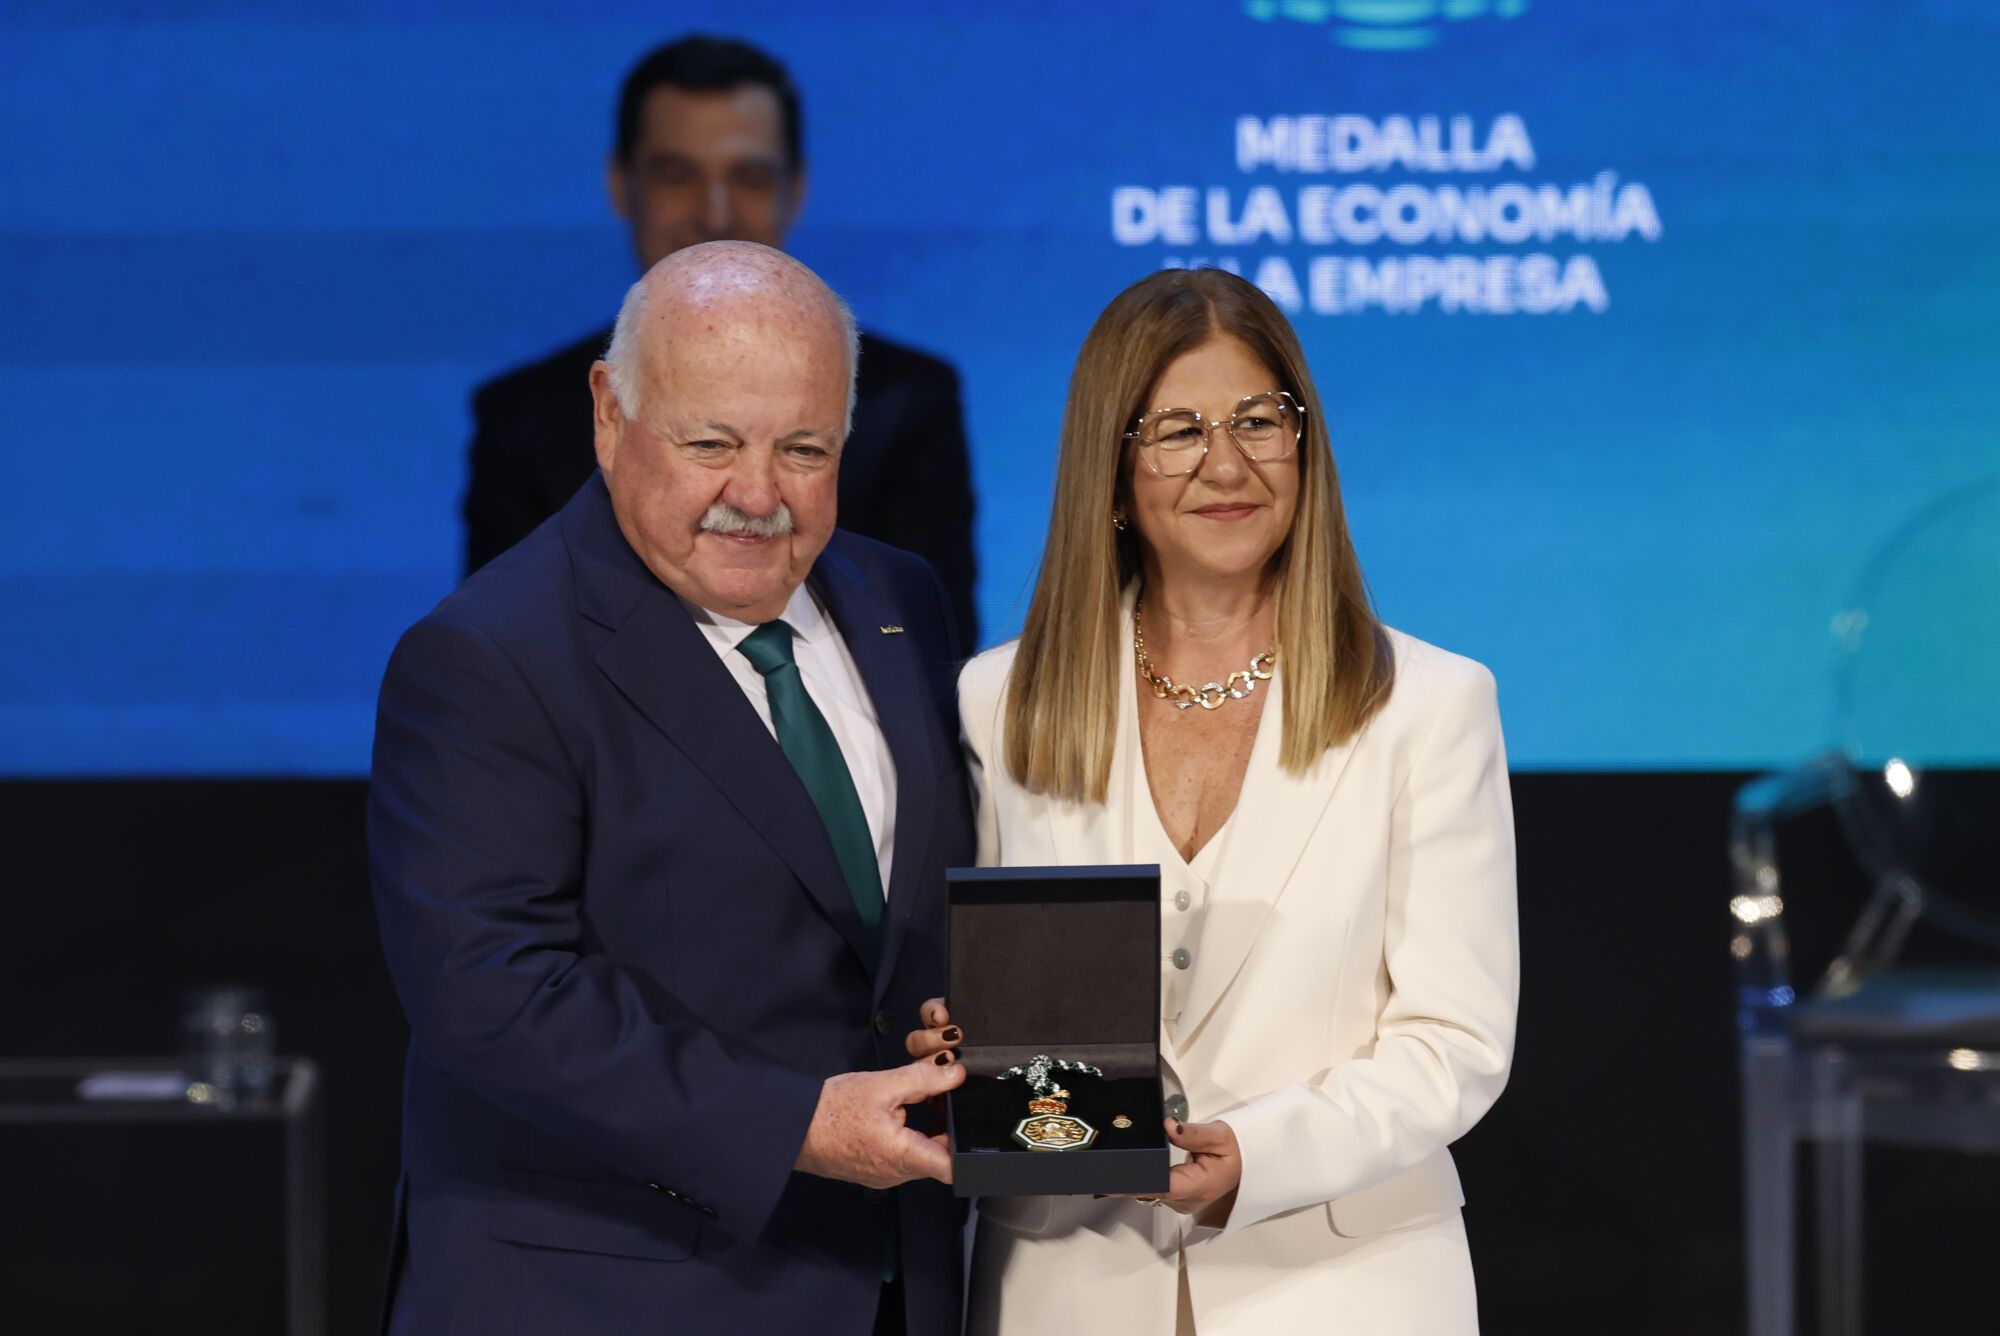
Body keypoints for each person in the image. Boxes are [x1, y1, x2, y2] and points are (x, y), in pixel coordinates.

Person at [370, 241, 974, 1335]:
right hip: (612, 1293)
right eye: (709, 443)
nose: (758, 494)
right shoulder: (487, 657)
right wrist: (796, 1122)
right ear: (609, 413)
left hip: (897, 1279)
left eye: (803, 447)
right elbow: (493, 993)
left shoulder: (899, 596)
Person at [909, 267, 1518, 1333]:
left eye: (1256, 420)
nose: (1225, 464)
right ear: (1111, 465)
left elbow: (1453, 1040)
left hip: (1347, 1287)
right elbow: (993, 987)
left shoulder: (1428, 703)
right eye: (1178, 430)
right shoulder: (998, 702)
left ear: (1304, 444)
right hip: (1066, 1284)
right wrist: (957, 1041)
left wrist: (1260, 1156)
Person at [462, 34, 980, 648]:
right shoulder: (525, 417)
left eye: (749, 178)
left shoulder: (906, 400)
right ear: (621, 185)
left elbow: (926, 650)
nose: (714, 213)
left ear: (797, 189)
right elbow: (503, 653)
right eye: (676, 176)